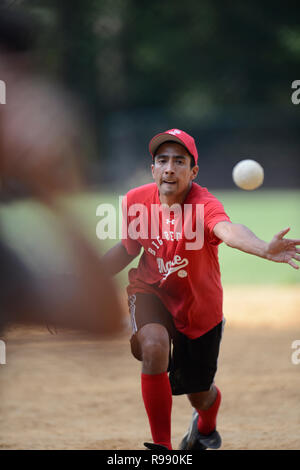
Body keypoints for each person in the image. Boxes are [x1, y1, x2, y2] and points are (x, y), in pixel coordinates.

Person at [102, 128, 300, 450]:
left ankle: (205, 428)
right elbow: (127, 249)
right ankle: (163, 449)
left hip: (199, 309)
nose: (169, 168)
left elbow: (228, 229)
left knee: (199, 392)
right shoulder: (137, 201)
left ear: (193, 171)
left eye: (179, 161)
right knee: (153, 346)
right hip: (150, 291)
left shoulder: (204, 204)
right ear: (153, 169)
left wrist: (263, 248)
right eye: (162, 160)